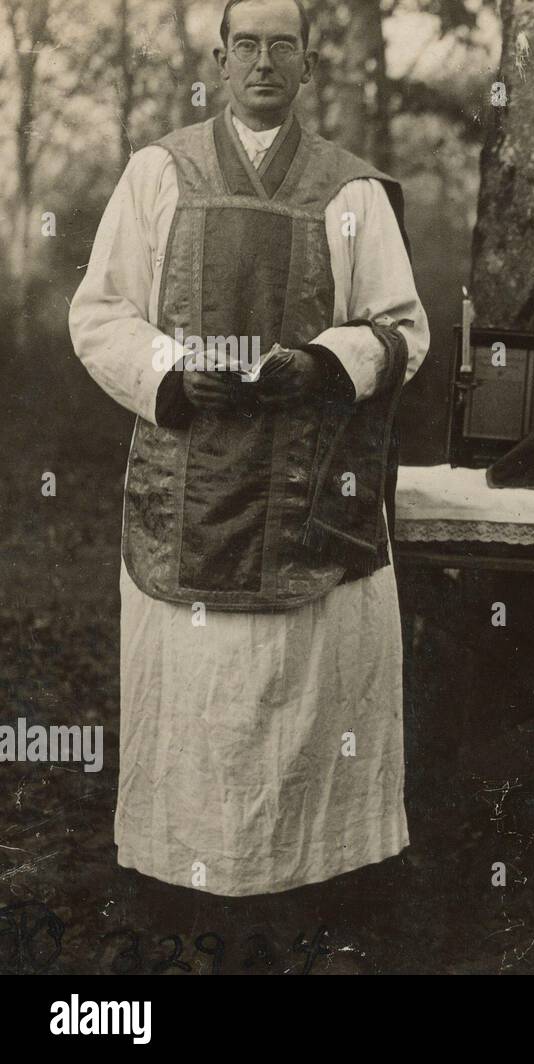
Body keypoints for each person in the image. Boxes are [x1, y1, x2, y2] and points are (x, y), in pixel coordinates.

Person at [68, 0, 430, 908]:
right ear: (220, 61)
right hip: (187, 478)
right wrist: (172, 377)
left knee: (309, 702)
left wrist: (319, 364)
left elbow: (402, 329)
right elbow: (100, 312)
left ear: (308, 66)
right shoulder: (158, 173)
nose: (264, 61)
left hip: (311, 491)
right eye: (247, 46)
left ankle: (317, 893)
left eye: (284, 46)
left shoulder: (352, 192)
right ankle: (182, 886)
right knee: (198, 697)